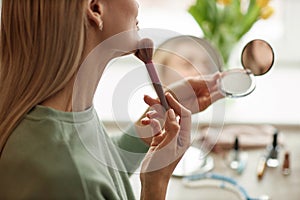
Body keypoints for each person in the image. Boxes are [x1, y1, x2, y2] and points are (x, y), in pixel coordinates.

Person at [0, 1, 222, 199]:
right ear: (95, 8)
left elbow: (100, 168)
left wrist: (153, 120)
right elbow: (85, 177)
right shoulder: (67, 177)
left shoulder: (65, 112)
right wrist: (155, 184)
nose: (137, 5)